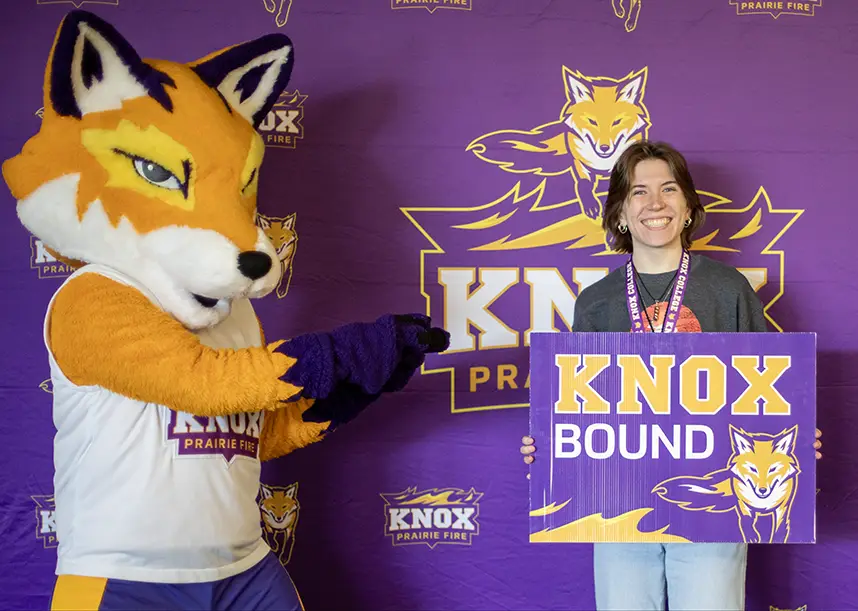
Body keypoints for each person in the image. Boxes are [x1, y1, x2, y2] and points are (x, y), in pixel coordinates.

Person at [519, 140, 822, 611]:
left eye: (669, 189)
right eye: (639, 192)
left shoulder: (728, 290)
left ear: (688, 207)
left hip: (713, 507)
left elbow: (770, 393)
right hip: (617, 503)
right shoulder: (595, 303)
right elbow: (575, 407)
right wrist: (549, 443)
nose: (655, 203)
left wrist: (796, 435)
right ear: (620, 211)